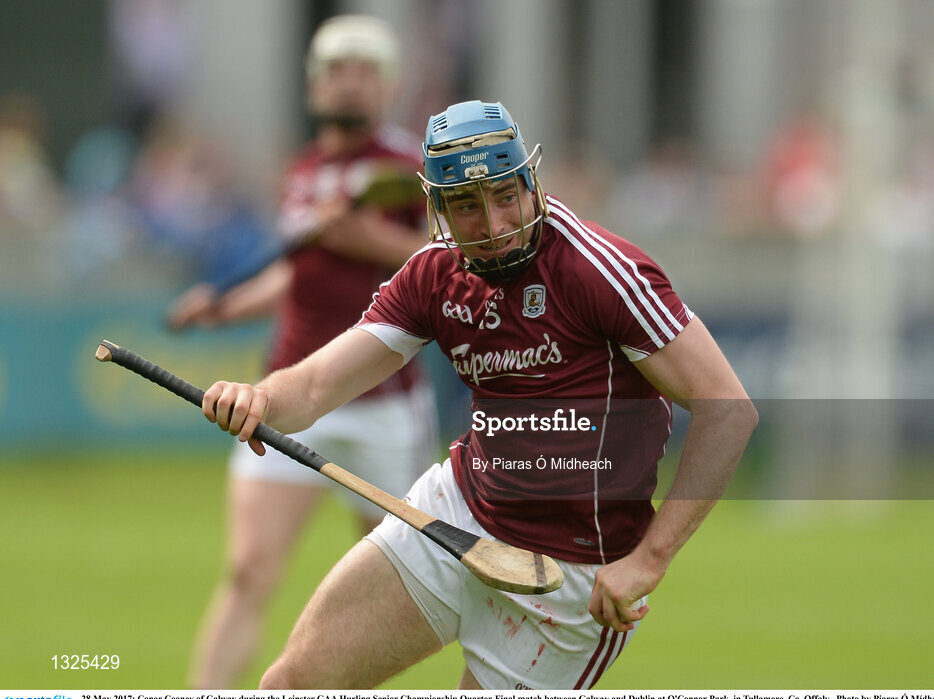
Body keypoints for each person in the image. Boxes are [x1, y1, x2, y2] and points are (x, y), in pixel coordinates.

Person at [201, 100, 758, 690]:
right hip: (456, 520)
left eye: (504, 195)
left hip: (570, 581)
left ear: (530, 183)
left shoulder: (599, 271)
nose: (492, 226)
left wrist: (648, 561)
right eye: (466, 206)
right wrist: (258, 398)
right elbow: (314, 385)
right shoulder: (432, 275)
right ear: (436, 208)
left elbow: (729, 411)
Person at [166, 16, 439, 689]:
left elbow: (446, 264)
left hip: (383, 403)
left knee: (404, 583)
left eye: (366, 71)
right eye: (338, 70)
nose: (351, 85)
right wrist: (223, 306)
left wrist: (366, 235)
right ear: (314, 83)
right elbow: (300, 273)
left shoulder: (408, 170)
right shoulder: (305, 169)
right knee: (247, 570)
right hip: (290, 393)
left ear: (389, 86)